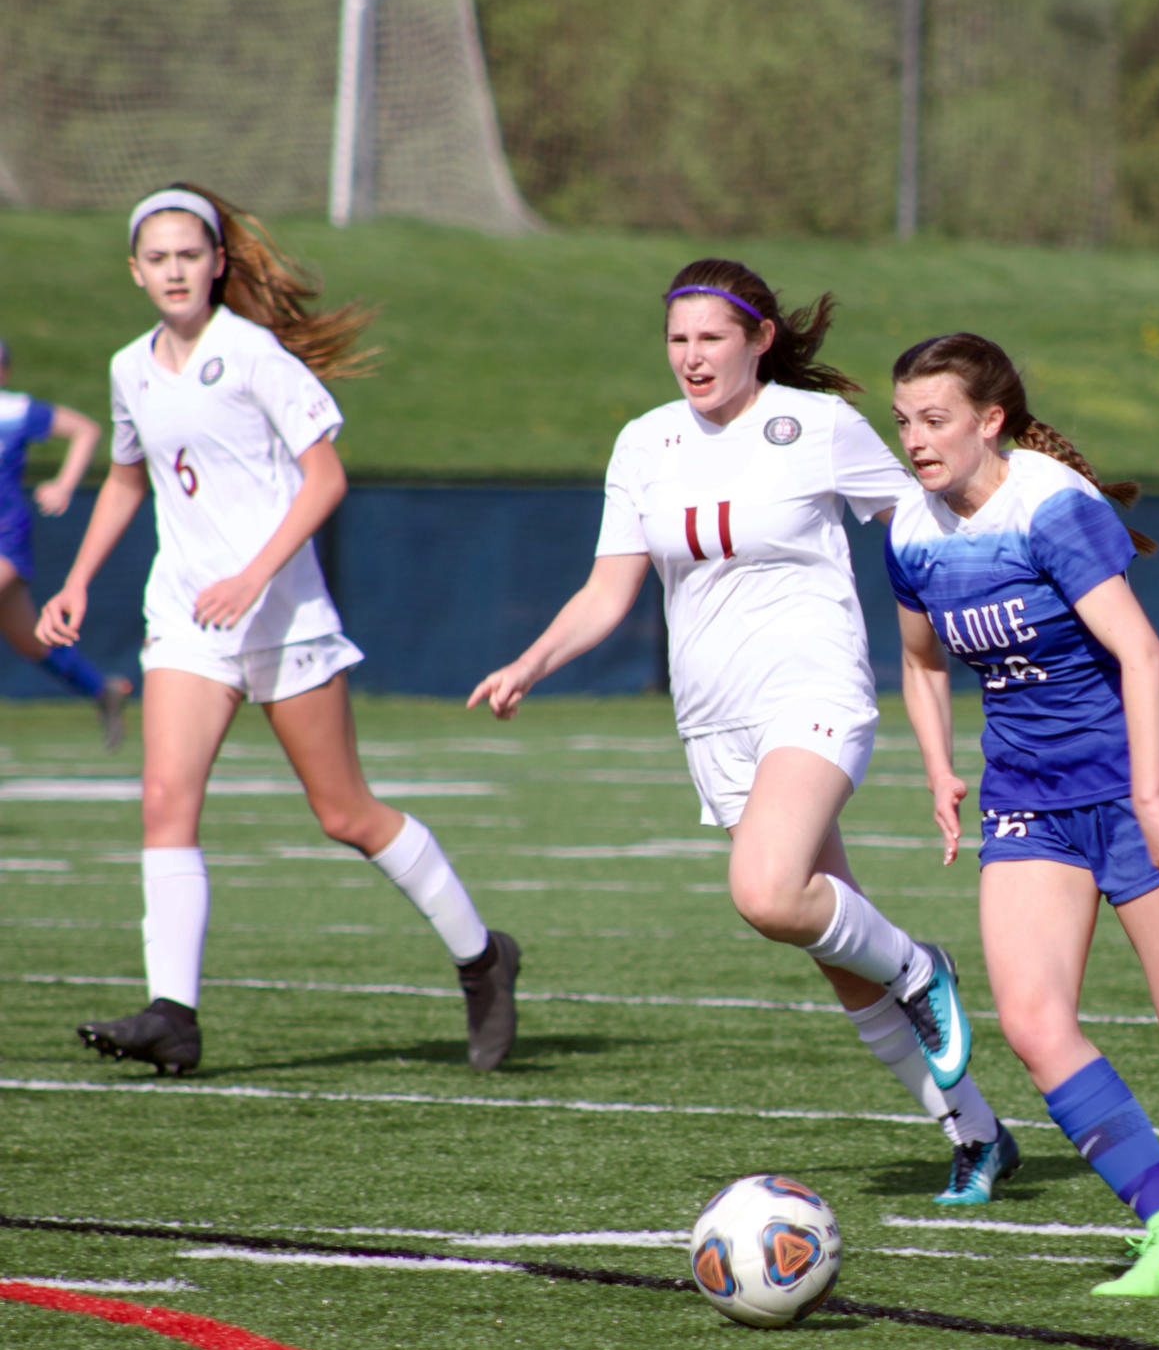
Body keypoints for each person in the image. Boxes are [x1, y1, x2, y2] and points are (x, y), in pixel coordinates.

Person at [470, 259, 1018, 1205]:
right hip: (712, 719)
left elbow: (921, 519)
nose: (691, 357)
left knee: (766, 892)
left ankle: (922, 967)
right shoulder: (644, 443)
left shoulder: (818, 427)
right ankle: (976, 1133)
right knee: (832, 948)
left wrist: (1004, 574)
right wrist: (531, 661)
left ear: (761, 338)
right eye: (678, 339)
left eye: (712, 338)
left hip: (814, 690)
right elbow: (610, 590)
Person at [35, 183, 518, 1077]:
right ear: (134, 271)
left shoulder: (253, 354)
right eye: (158, 257)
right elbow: (127, 479)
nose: (175, 270)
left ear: (218, 263)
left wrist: (254, 575)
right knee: (164, 804)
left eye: (191, 254)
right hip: (184, 616)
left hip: (282, 614)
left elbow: (325, 479)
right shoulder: (128, 367)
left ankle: (482, 957)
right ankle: (173, 1014)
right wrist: (75, 581)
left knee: (345, 813)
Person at [886, 331, 1159, 1294]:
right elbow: (920, 663)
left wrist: (1152, 801)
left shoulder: (1052, 506)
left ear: (989, 420)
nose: (916, 439)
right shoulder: (910, 530)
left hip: (1133, 791)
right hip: (1028, 803)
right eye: (905, 421)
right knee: (1036, 1023)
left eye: (936, 419)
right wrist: (939, 770)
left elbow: (1145, 655)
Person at [0, 337, 131, 746]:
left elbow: (85, 430)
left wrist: (64, 484)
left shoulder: (15, 410)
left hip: (5, 537)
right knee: (31, 641)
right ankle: (102, 690)